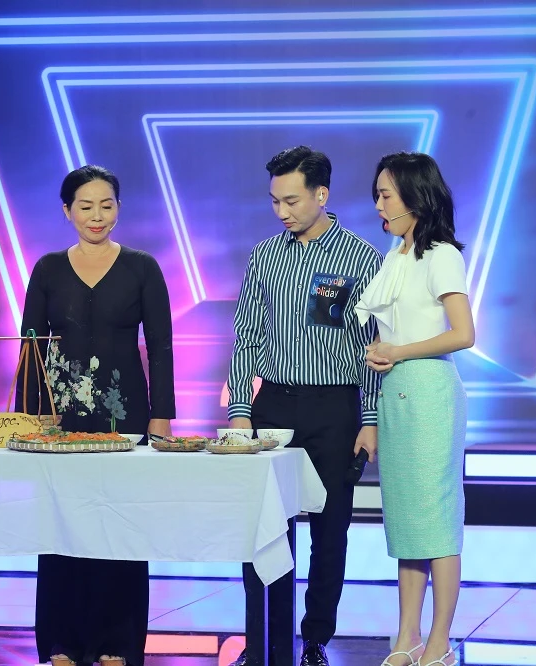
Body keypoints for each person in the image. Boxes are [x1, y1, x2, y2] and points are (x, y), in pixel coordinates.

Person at [227, 146, 382, 666]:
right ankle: (262, 639)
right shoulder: (265, 256)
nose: (282, 211)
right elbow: (246, 336)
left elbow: (372, 346)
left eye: (291, 200)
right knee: (264, 528)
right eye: (275, 201)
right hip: (273, 404)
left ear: (322, 194)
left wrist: (369, 418)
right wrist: (240, 411)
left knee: (330, 529)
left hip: (334, 407)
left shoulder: (361, 258)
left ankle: (315, 639)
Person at [15, 164, 176, 666]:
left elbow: (161, 345)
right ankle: (61, 642)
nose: (97, 215)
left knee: (120, 524)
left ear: (119, 209)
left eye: (106, 205)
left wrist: (161, 416)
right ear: (67, 211)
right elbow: (30, 349)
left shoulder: (142, 268)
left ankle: (116, 643)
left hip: (125, 419)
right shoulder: (47, 269)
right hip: (59, 422)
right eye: (85, 206)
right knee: (60, 524)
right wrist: (27, 419)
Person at [356, 152, 473, 666]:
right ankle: (406, 638)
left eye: (386, 195)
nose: (379, 205)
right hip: (396, 392)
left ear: (414, 197)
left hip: (429, 392)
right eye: (377, 195)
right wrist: (383, 355)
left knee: (437, 519)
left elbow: (463, 333)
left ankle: (440, 641)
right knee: (407, 521)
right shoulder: (394, 257)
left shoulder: (441, 254)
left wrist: (399, 351)